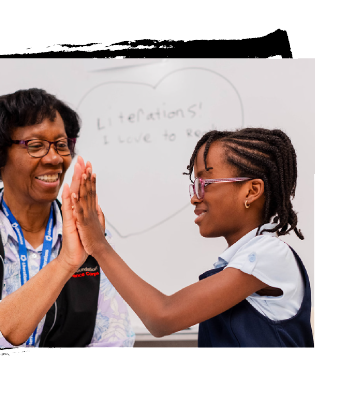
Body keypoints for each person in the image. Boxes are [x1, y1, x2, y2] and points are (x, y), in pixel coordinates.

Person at [69, 128, 314, 347]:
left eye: (205, 183)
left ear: (251, 191)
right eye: (195, 184)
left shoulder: (267, 254)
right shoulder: (238, 263)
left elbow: (162, 317)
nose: (195, 198)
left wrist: (99, 246)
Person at [0, 88, 135, 348]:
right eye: (36, 146)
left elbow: (115, 341)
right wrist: (65, 263)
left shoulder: (92, 236)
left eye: (61, 145)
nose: (54, 158)